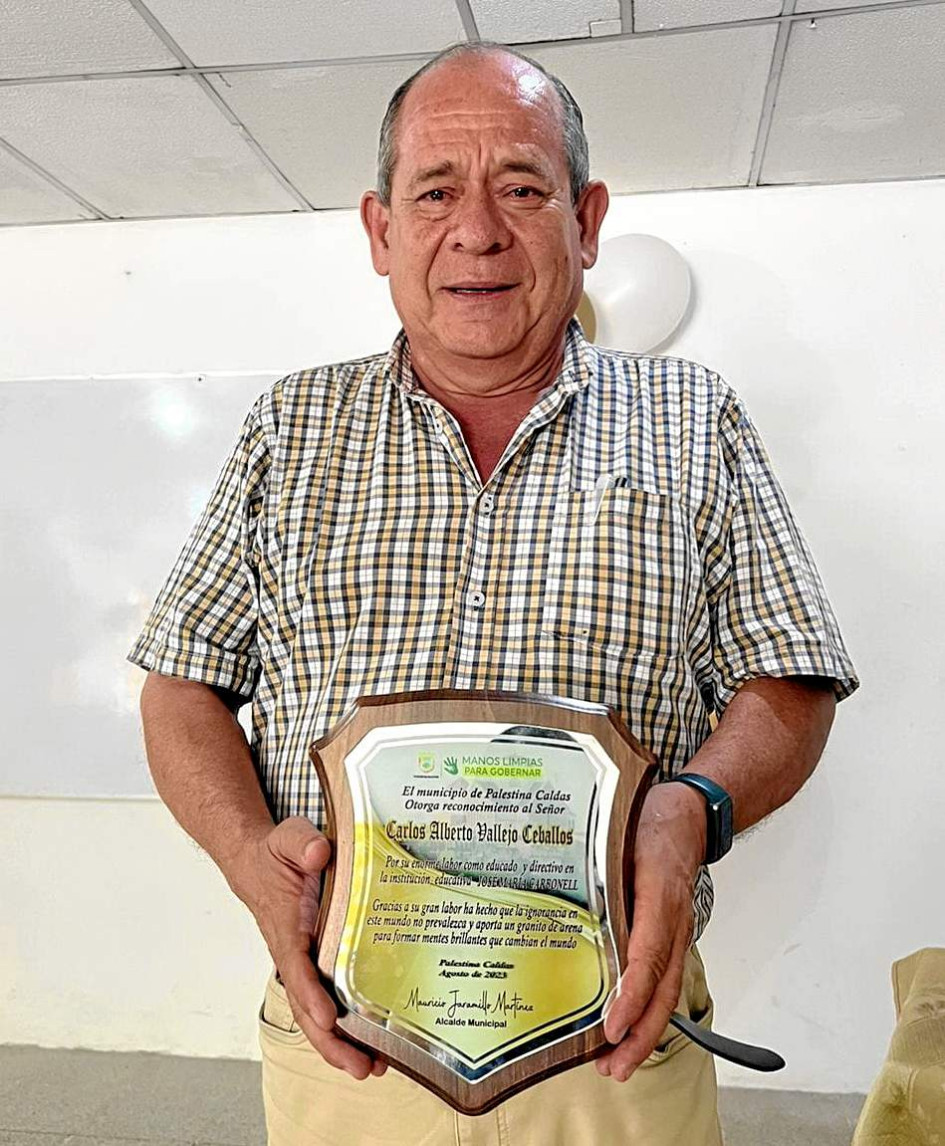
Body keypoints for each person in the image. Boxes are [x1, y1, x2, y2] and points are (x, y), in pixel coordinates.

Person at [129, 41, 858, 1146]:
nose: (478, 230)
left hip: (611, 1052)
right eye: (436, 192)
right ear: (381, 232)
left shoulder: (692, 419)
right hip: (350, 1050)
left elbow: (791, 677)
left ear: (588, 217)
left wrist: (690, 810)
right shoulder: (293, 429)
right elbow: (182, 683)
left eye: (523, 187)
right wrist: (246, 858)